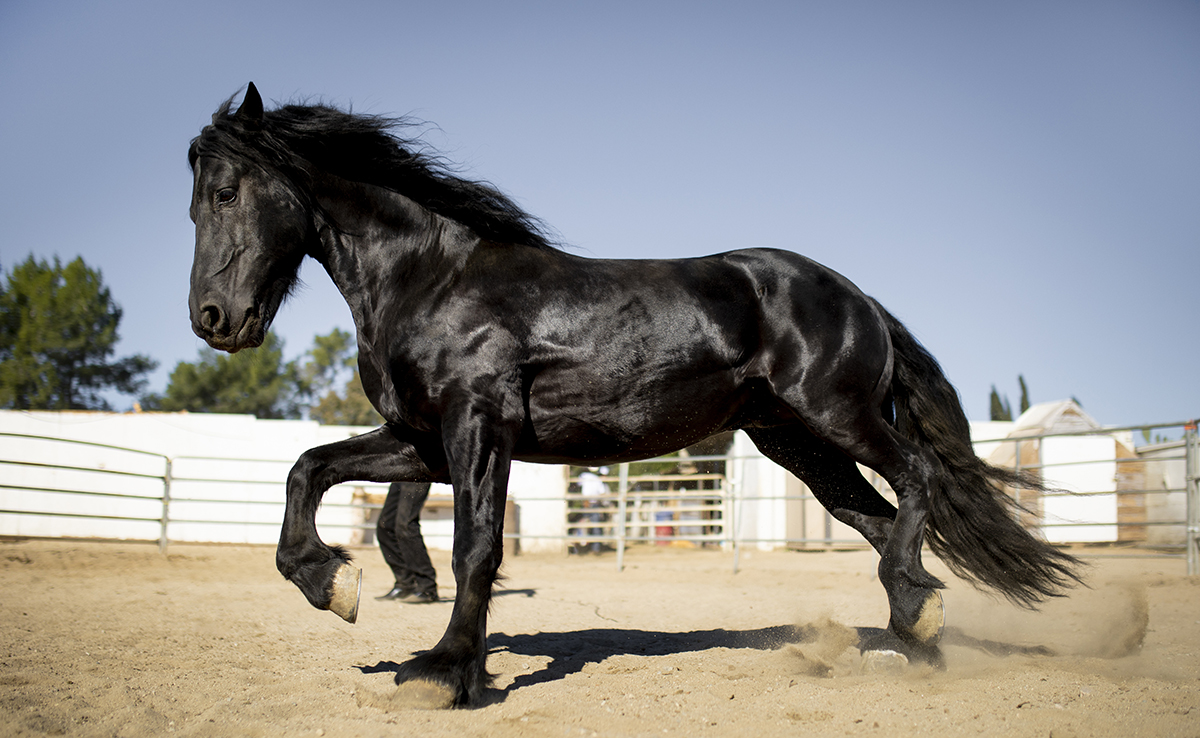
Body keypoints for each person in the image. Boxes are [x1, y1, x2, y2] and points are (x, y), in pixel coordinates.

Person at [374, 481, 439, 603]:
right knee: (385, 526)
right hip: (400, 471)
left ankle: (427, 587)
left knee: (406, 526)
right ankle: (405, 583)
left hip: (418, 472)